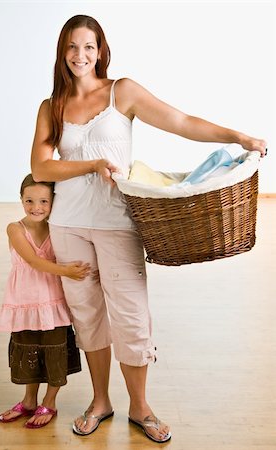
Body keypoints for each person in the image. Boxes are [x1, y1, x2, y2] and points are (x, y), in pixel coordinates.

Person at [30, 14, 266, 443]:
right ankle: (100, 401)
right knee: (88, 316)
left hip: (118, 223)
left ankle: (140, 408)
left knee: (132, 318)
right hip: (68, 225)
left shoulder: (122, 91)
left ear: (101, 51)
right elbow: (40, 166)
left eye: (88, 47)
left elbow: (181, 121)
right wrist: (92, 164)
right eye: (71, 47)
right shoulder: (53, 106)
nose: (80, 55)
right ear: (62, 53)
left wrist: (239, 136)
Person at [0, 174, 93, 429]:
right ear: (20, 200)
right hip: (24, 303)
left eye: (43, 202)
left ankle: (50, 401)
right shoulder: (15, 228)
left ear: (53, 203)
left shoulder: (56, 228)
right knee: (29, 351)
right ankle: (28, 401)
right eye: (29, 201)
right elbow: (33, 261)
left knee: (54, 352)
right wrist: (67, 271)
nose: (36, 207)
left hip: (53, 304)